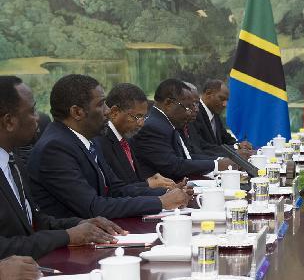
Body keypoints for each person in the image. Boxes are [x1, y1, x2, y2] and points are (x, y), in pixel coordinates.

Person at [28, 75, 189, 219]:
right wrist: (160, 202)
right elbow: (93, 206)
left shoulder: (86, 140)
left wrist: (167, 192)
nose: (107, 111)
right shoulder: (55, 148)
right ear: (77, 112)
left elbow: (117, 189)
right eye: (100, 105)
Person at [0, 76, 121, 260]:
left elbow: (36, 221)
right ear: (9, 121)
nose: (38, 118)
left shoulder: (12, 161)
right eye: (32, 111)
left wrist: (80, 224)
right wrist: (67, 236)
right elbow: (6, 245)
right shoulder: (51, 147)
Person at [132, 79, 235, 181]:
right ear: (168, 103)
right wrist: (216, 164)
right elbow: (174, 166)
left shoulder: (168, 124)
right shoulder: (153, 127)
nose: (190, 113)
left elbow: (187, 158)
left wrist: (219, 161)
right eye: (187, 107)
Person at [95, 83, 177, 190]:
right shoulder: (100, 143)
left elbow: (134, 181)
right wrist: (148, 185)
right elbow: (116, 190)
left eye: (144, 117)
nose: (141, 123)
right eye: (137, 117)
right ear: (114, 112)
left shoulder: (127, 139)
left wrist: (166, 188)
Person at [188, 79, 253, 159]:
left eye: (226, 100)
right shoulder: (194, 115)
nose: (225, 104)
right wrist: (236, 148)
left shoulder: (214, 113)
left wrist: (242, 146)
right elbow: (203, 146)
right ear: (208, 93)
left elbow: (226, 138)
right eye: (221, 98)